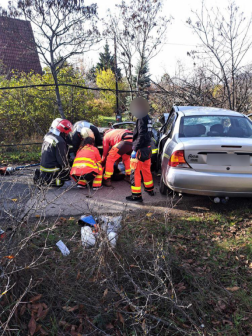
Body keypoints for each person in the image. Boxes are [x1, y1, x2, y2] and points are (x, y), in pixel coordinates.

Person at [126, 97, 154, 202]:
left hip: (140, 150)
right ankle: (150, 189)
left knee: (135, 173)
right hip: (147, 148)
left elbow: (142, 134)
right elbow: (147, 134)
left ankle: (136, 196)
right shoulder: (148, 118)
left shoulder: (141, 118)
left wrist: (135, 148)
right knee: (146, 170)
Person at [38, 119, 73, 187]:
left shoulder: (47, 135)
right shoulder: (60, 141)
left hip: (43, 170)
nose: (68, 134)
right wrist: (68, 168)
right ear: (64, 131)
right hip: (53, 172)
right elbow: (62, 159)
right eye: (67, 132)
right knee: (70, 179)